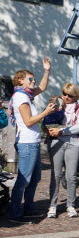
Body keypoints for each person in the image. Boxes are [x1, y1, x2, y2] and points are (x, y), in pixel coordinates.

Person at [8, 58, 55, 224]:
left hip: (32, 142)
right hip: (27, 144)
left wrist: (47, 70)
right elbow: (28, 121)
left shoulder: (27, 95)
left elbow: (42, 87)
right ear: (20, 80)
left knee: (34, 178)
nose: (33, 81)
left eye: (33, 79)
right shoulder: (21, 97)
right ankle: (14, 212)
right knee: (24, 179)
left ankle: (28, 207)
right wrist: (46, 112)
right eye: (30, 79)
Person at [45, 83, 79, 218]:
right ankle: (52, 205)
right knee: (55, 175)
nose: (66, 97)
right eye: (64, 93)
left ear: (75, 96)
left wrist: (61, 131)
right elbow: (47, 120)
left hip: (73, 144)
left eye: (70, 95)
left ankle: (71, 205)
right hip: (56, 143)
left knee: (71, 176)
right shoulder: (57, 105)